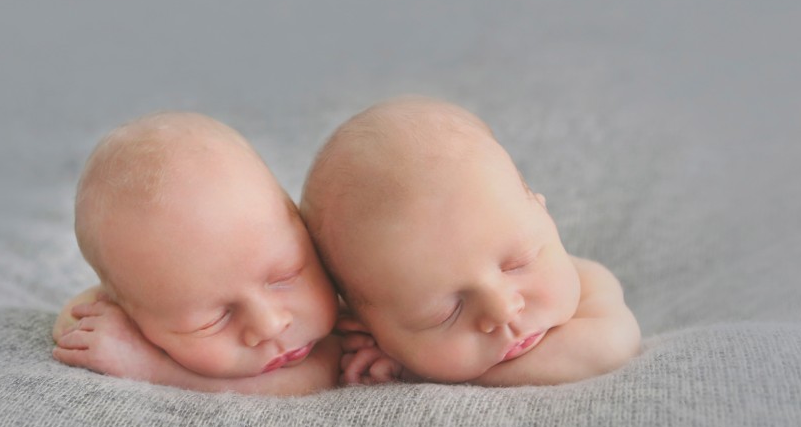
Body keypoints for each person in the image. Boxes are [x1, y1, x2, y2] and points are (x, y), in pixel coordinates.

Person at [300, 96, 641, 386]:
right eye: (446, 312)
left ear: (544, 215)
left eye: (518, 263)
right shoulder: (357, 333)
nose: (503, 310)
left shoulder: (590, 285)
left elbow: (609, 347)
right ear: (369, 329)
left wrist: (419, 371)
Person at [52, 111, 340, 395]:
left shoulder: (354, 262)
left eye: (285, 277)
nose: (270, 324)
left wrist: (152, 368)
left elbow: (318, 373)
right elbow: (73, 322)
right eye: (212, 321)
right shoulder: (153, 294)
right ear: (135, 319)